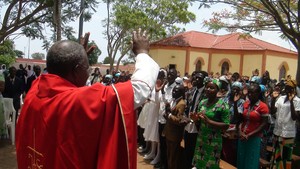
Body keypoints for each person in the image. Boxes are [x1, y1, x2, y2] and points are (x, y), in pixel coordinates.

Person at [16, 30, 159, 169]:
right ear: (76, 70)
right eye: (87, 68)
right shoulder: (77, 101)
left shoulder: (35, 90)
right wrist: (142, 53)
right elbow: (139, 89)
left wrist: (77, 57)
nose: (88, 73)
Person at [191, 79, 230, 169]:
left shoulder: (222, 105)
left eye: (211, 88)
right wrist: (195, 119)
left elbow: (226, 125)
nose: (208, 89)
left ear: (218, 90)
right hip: (201, 138)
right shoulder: (202, 102)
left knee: (210, 165)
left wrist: (209, 121)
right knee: (199, 164)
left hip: (214, 141)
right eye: (207, 87)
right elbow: (199, 122)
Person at [236, 83, 269, 169]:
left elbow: (264, 124)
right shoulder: (246, 104)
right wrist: (240, 132)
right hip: (242, 136)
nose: (250, 95)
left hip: (253, 137)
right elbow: (240, 119)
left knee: (251, 160)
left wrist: (249, 135)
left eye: (253, 92)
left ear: (258, 93)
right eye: (249, 92)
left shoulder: (263, 106)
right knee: (241, 159)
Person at [271, 80, 300, 169]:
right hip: (277, 131)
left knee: (285, 158)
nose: (287, 90)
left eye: (290, 88)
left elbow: (295, 117)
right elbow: (272, 111)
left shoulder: (297, 100)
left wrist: (291, 102)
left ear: (294, 89)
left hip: (288, 134)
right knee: (275, 157)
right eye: (287, 87)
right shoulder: (281, 98)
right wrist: (273, 99)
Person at [184, 71, 207, 169]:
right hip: (189, 124)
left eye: (199, 78)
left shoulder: (206, 93)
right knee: (187, 150)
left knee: (195, 151)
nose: (196, 80)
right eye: (196, 78)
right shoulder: (193, 90)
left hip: (198, 126)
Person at [163, 84, 187, 169]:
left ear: (181, 93)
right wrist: (166, 112)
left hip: (175, 135)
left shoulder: (181, 104)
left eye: (176, 91)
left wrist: (169, 115)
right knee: (169, 155)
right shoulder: (174, 101)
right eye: (173, 90)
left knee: (173, 158)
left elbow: (179, 120)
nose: (173, 92)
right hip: (169, 133)